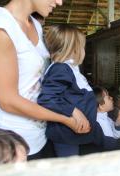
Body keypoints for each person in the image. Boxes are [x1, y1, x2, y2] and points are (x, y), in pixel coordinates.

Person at [0, 0, 90, 160]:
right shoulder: (3, 28)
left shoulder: (35, 25)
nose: (59, 2)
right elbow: (7, 101)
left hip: (40, 135)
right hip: (14, 142)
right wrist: (66, 118)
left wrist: (71, 108)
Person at [37, 24, 98, 157]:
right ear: (74, 48)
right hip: (66, 137)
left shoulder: (69, 68)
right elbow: (47, 98)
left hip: (73, 134)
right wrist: (74, 111)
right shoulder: (60, 69)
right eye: (82, 46)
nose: (83, 49)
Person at [93, 86, 120, 150]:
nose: (111, 97)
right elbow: (111, 146)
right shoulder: (103, 124)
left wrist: (118, 122)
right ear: (101, 106)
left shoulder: (102, 118)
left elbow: (115, 134)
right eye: (108, 97)